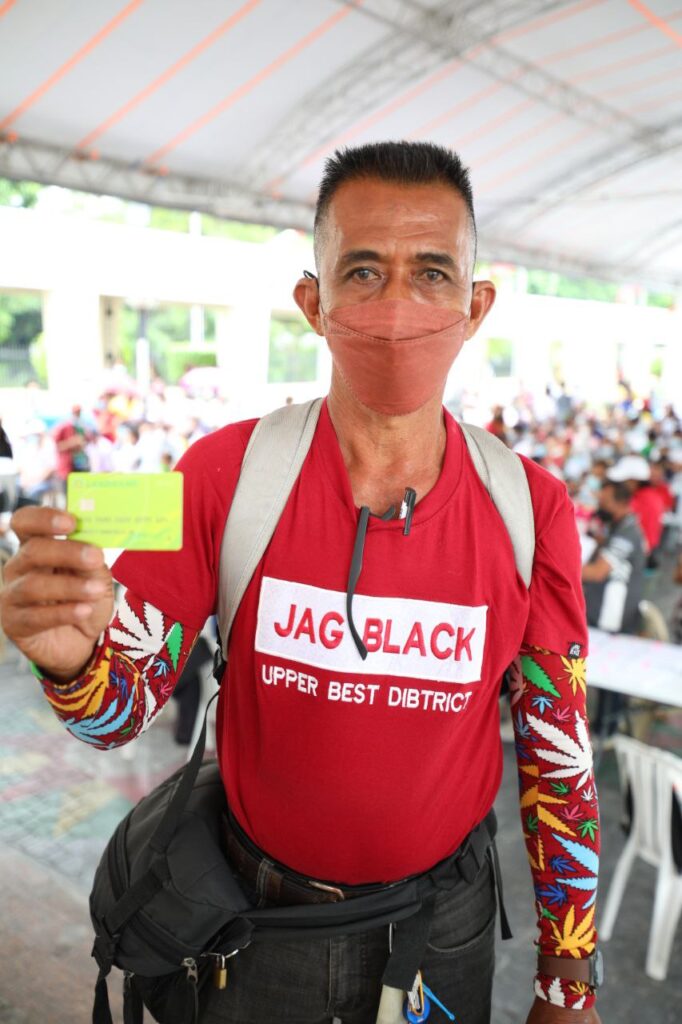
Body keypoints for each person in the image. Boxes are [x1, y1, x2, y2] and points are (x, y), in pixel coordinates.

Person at [0, 142, 601, 1024]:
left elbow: (558, 756)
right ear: (313, 303)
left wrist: (567, 982)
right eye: (364, 271)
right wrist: (66, 662)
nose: (396, 306)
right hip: (254, 934)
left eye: (432, 273)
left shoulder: (530, 509)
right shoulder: (224, 474)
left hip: (442, 932)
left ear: (475, 307)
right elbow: (115, 715)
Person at [582, 479, 646, 735]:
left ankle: (606, 730)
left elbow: (598, 572)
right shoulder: (620, 527)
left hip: (615, 618)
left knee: (611, 679)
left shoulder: (627, 532)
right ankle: (605, 727)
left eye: (604, 502)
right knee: (607, 679)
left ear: (619, 503)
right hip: (608, 615)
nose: (600, 506)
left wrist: (560, 568)